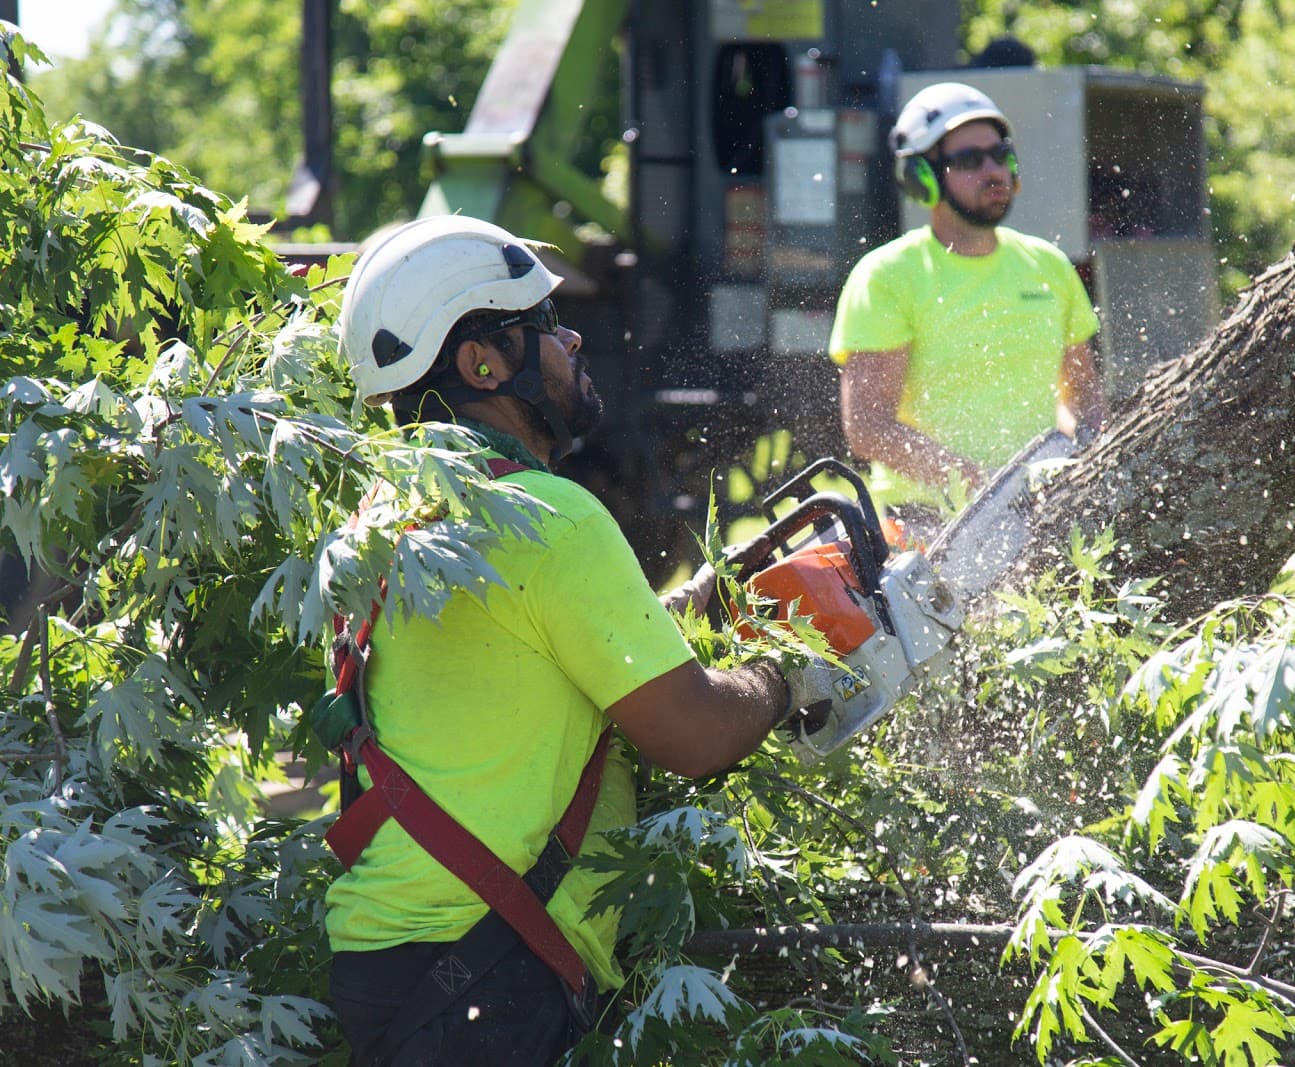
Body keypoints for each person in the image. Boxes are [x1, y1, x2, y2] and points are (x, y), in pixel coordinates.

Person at [326, 215, 833, 1066]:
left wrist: (684, 613)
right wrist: (784, 676)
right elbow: (696, 736)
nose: (572, 338)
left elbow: (518, 678)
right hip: (492, 978)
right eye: (544, 326)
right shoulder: (546, 518)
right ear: (482, 362)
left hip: (395, 971)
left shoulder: (381, 524)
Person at [829, 81, 1103, 498]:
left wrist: (1080, 463)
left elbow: (1083, 399)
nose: (993, 171)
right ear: (923, 177)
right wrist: (985, 489)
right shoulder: (889, 275)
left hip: (1040, 512)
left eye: (1000, 155)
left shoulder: (1049, 265)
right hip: (924, 525)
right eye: (971, 160)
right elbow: (868, 426)